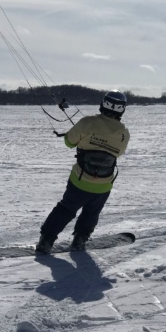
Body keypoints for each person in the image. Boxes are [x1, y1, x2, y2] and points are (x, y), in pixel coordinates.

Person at [36, 90, 131, 254]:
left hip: (79, 180)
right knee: (92, 212)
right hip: (104, 184)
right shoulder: (124, 132)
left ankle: (46, 241)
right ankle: (80, 239)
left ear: (103, 104)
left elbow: (69, 142)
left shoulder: (88, 122)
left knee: (65, 209)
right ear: (122, 109)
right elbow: (118, 152)